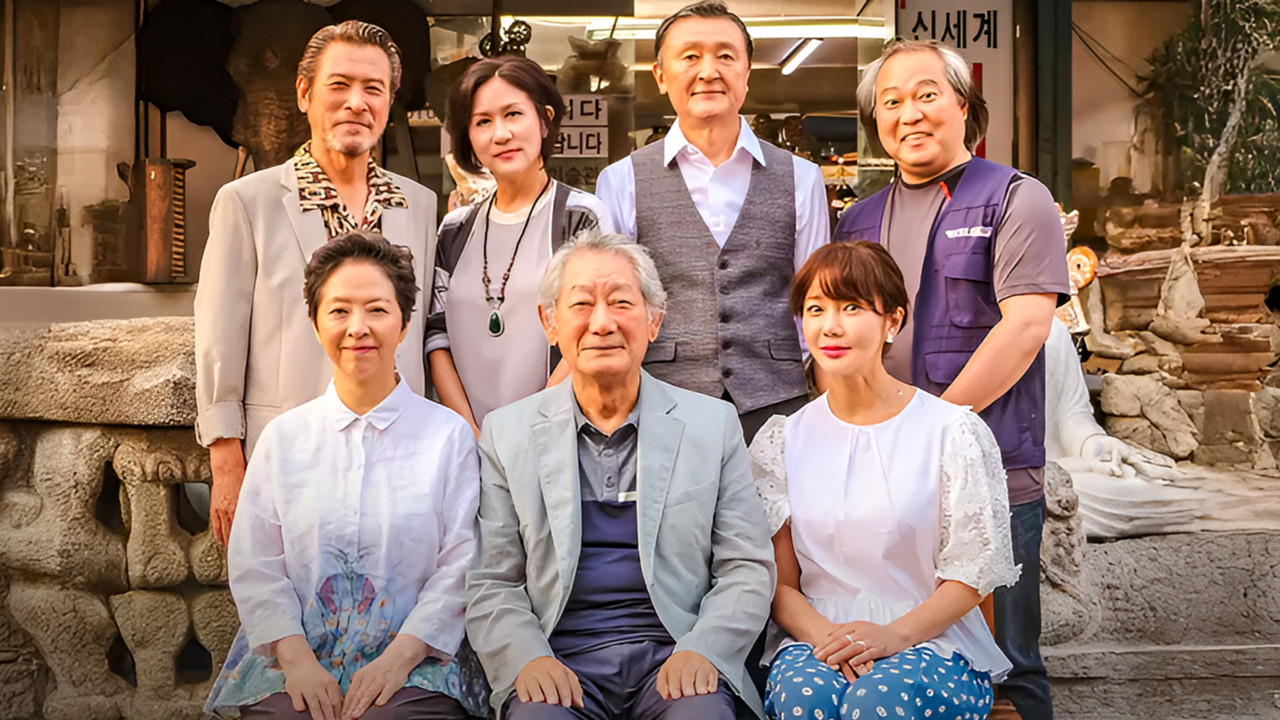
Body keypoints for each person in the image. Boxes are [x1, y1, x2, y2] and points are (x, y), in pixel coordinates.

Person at [832, 39, 1069, 719]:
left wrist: (928, 434)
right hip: (882, 478)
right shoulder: (859, 220)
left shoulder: (1017, 198)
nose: (910, 113)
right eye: (892, 101)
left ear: (964, 105)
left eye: (928, 94)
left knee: (1008, 665)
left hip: (994, 472)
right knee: (900, 652)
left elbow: (1025, 327)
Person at [465, 230, 776, 720]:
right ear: (550, 322)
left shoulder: (711, 424)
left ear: (655, 320)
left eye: (621, 302)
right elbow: (492, 580)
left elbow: (746, 566)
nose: (602, 323)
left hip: (675, 656)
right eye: (582, 304)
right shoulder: (507, 433)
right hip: (559, 660)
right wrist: (527, 659)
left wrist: (704, 649)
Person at [205, 232, 487, 720]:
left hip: (419, 663)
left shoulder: (448, 437)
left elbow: (463, 561)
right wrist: (297, 662)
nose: (358, 328)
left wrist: (399, 659)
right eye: (339, 311)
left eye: (377, 310)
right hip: (294, 657)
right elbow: (256, 562)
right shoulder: (283, 438)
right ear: (315, 324)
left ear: (403, 325)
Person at [750, 241, 1020, 720]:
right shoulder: (782, 441)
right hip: (818, 636)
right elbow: (780, 584)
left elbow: (972, 575)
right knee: (805, 698)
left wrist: (893, 636)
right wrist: (830, 641)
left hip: (934, 640)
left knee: (877, 702)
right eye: (816, 309)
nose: (830, 326)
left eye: (852, 307)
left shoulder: (950, 432)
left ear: (893, 320)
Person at [195, 20, 438, 547]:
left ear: (391, 100)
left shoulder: (417, 204)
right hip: (285, 456)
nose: (357, 102)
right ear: (304, 94)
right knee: (285, 609)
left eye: (374, 88)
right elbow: (219, 336)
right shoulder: (248, 202)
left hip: (399, 458)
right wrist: (226, 459)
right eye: (339, 85)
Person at [595, 0, 830, 442]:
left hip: (779, 409)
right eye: (690, 56)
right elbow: (618, 304)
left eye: (725, 55)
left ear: (746, 73)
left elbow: (815, 299)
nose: (708, 71)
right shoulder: (620, 180)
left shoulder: (802, 177)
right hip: (662, 407)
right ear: (661, 75)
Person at [428, 56, 615, 435]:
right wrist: (471, 434)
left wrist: (524, 434)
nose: (500, 134)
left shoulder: (579, 217)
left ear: (544, 119)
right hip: (466, 441)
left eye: (513, 114)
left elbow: (592, 331)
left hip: (556, 435)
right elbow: (436, 337)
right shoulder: (454, 229)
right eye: (483, 121)